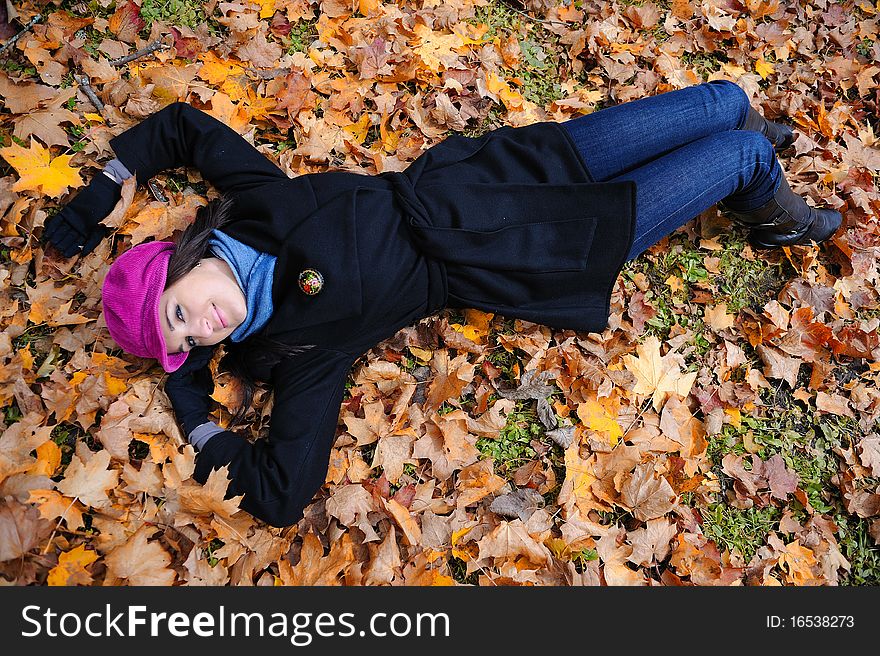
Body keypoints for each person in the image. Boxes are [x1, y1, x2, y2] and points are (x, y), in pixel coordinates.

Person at [41, 80, 841, 527]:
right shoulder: (297, 347)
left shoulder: (257, 204)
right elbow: (282, 493)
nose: (204, 326)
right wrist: (192, 403)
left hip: (507, 168)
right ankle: (778, 215)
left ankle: (751, 162)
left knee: (724, 101)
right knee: (739, 151)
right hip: (532, 247)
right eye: (187, 340)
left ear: (182, 263)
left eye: (179, 309)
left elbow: (183, 127)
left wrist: (105, 186)